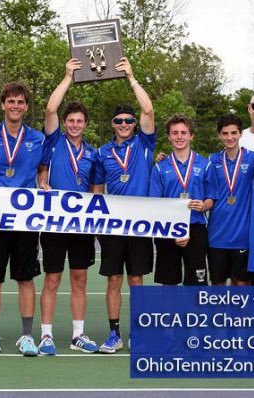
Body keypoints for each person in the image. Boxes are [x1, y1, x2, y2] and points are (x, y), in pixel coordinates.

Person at [92, 57, 155, 353]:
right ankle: (114, 334)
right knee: (114, 279)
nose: (125, 124)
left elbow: (148, 109)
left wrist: (131, 76)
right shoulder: (103, 152)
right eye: (119, 121)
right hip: (113, 224)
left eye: (129, 121)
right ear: (112, 125)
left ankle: (139, 333)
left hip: (140, 223)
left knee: (136, 278)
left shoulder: (144, 144)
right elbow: (96, 191)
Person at [0, 82, 44, 357]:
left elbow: (42, 169)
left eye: (20, 102)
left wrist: (43, 183)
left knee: (25, 278)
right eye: (11, 101)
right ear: (3, 104)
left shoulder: (38, 138)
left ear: (26, 107)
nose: (15, 106)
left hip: (26, 219)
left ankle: (26, 336)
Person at [38, 59, 98, 355]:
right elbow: (50, 109)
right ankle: (46, 335)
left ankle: (78, 334)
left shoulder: (93, 154)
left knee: (79, 278)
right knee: (52, 277)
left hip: (81, 225)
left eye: (79, 121)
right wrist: (67, 77)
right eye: (70, 120)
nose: (74, 125)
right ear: (64, 124)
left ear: (85, 125)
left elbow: (96, 191)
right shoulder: (54, 142)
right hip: (53, 221)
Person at [149, 114, 218, 286]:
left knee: (196, 284)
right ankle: (171, 314)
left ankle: (192, 314)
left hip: (196, 228)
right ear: (169, 136)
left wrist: (203, 206)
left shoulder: (205, 164)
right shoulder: (159, 168)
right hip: (167, 229)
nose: (179, 137)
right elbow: (155, 204)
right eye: (175, 133)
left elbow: (211, 198)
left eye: (183, 132)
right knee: (169, 284)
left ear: (191, 135)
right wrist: (174, 232)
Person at [208, 114, 254, 285]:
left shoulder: (251, 159)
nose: (230, 137)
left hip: (242, 237)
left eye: (234, 133)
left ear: (241, 134)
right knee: (218, 287)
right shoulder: (211, 161)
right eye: (225, 133)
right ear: (219, 135)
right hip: (216, 236)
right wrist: (163, 158)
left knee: (241, 286)